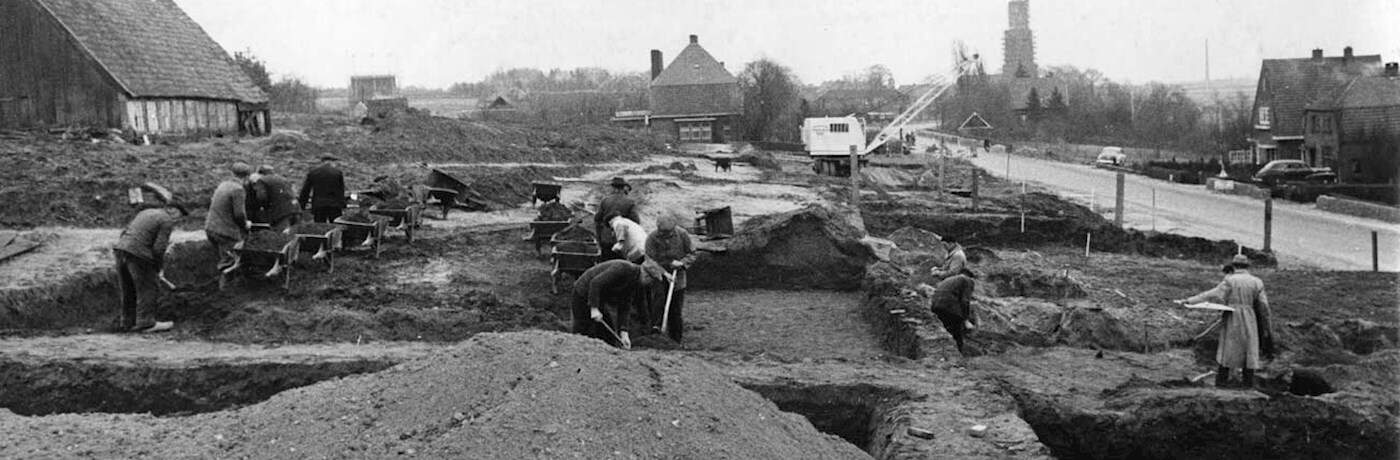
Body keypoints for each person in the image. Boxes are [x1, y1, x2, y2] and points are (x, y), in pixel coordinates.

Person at [1179, 254, 1274, 388]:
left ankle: (1221, 382)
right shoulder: (1257, 282)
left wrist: (1190, 300)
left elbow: (1211, 294)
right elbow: (1264, 306)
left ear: (1234, 266)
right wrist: (1266, 325)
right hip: (1250, 316)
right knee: (1249, 348)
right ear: (1247, 266)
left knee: (1227, 349)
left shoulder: (1230, 280)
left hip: (1232, 316)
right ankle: (1248, 384)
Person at [113, 184, 187, 332]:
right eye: (180, 215)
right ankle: (146, 322)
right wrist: (158, 267)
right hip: (138, 255)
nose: (179, 220)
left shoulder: (146, 212)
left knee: (129, 289)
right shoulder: (166, 220)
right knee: (148, 288)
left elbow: (124, 232)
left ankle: (127, 322)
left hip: (121, 251)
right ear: (172, 210)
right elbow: (159, 249)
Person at [571, 259, 664, 349]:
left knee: (608, 336)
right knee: (582, 329)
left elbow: (625, 306)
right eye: (650, 282)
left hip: (599, 298)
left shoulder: (634, 282)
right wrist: (594, 308)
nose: (649, 285)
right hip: (582, 293)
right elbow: (595, 283)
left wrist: (624, 332)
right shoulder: (622, 269)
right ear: (646, 275)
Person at [643, 213, 697, 342]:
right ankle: (656, 331)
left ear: (674, 228)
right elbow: (649, 260)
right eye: (663, 232)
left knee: (676, 308)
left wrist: (682, 263)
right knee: (658, 303)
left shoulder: (682, 234)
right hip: (659, 275)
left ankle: (676, 338)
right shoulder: (651, 238)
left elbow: (692, 253)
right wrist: (663, 272)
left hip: (677, 275)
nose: (666, 235)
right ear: (658, 228)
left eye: (669, 232)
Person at [206, 162, 251, 273]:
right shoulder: (238, 190)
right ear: (247, 176)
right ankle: (227, 289)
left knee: (225, 258)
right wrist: (246, 224)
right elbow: (239, 214)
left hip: (211, 228)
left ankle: (221, 284)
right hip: (225, 233)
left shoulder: (223, 184)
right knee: (232, 263)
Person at [924, 268, 978, 354]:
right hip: (949, 306)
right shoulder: (967, 280)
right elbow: (965, 301)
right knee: (957, 332)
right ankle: (959, 357)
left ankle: (944, 355)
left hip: (935, 305)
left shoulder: (948, 280)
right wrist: (966, 319)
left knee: (947, 329)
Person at [594, 177, 639, 260]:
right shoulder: (630, 202)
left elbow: (597, 219)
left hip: (606, 240)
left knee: (606, 264)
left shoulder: (605, 201)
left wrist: (599, 238)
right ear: (623, 188)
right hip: (622, 241)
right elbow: (636, 222)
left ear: (613, 188)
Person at [249, 165, 300, 232]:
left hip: (281, 213)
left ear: (260, 173)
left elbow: (262, 197)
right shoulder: (283, 179)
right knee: (292, 234)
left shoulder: (262, 180)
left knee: (281, 236)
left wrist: (264, 207)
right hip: (296, 209)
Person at [299, 155, 347, 223]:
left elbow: (306, 190)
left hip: (319, 205)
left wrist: (302, 205)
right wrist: (343, 205)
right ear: (331, 162)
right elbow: (341, 191)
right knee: (335, 226)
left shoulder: (313, 172)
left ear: (322, 161)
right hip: (334, 206)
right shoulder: (337, 173)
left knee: (320, 226)